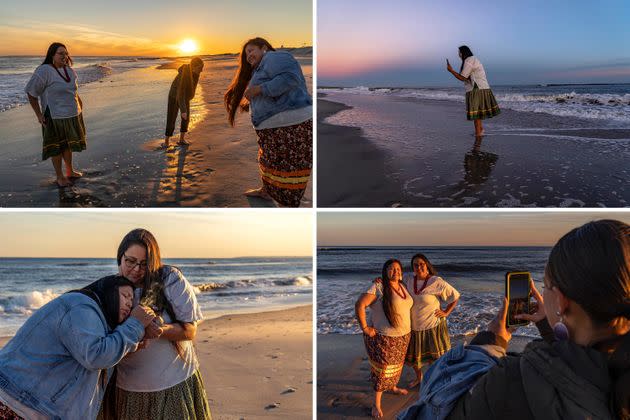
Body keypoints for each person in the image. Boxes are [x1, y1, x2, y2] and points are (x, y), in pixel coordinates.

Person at [403, 219, 630, 420]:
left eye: (546, 287)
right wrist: (546, 326)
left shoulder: (510, 383)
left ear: (560, 301)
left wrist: (491, 341)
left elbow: (437, 400)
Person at [0, 276, 156, 419]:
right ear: (108, 292)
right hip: (14, 401)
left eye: (132, 299)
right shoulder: (81, 306)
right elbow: (96, 356)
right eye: (125, 296)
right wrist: (134, 324)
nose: (130, 303)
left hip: (30, 405)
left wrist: (139, 333)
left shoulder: (98, 325)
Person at [103, 228, 212, 420]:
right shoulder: (109, 290)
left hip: (174, 384)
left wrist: (159, 330)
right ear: (120, 258)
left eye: (144, 264)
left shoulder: (169, 279)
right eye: (130, 261)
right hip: (128, 390)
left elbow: (190, 330)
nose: (136, 269)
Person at [224, 37, 312, 207]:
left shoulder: (274, 57)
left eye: (251, 50)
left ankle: (287, 205)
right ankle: (267, 191)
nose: (248, 56)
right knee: (269, 162)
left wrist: (259, 89)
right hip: (273, 126)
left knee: (288, 168)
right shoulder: (260, 69)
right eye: (246, 54)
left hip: (289, 124)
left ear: (264, 47)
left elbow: (290, 78)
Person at [355, 259, 414, 419]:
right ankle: (377, 404)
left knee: (397, 366)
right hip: (385, 338)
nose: (395, 271)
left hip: (403, 337)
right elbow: (360, 304)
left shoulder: (403, 286)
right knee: (382, 371)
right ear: (385, 271)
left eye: (397, 268)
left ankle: (393, 386)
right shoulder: (378, 287)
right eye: (391, 268)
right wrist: (366, 328)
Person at [25, 42, 87, 187]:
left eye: (66, 53)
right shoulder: (44, 70)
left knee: (67, 145)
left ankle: (70, 171)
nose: (64, 56)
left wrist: (80, 106)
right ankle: (60, 177)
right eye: (60, 53)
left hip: (72, 114)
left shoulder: (70, 71)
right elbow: (31, 92)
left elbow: (74, 91)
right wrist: (39, 115)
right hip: (54, 116)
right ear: (52, 55)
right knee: (56, 147)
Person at [404, 254, 459, 388]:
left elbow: (455, 296)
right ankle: (420, 378)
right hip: (414, 326)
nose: (418, 267)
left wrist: (446, 312)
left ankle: (435, 380)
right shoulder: (408, 279)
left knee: (435, 359)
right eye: (415, 265)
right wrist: (379, 280)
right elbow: (392, 279)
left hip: (432, 325)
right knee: (415, 358)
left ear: (427, 265)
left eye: (421, 264)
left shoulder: (436, 281)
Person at [446, 46, 500, 137]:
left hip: (477, 89)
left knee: (476, 114)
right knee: (477, 113)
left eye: (459, 53)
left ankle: (478, 134)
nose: (458, 55)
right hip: (480, 88)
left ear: (463, 53)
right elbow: (466, 77)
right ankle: (480, 130)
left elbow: (462, 77)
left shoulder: (469, 60)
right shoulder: (472, 59)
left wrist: (451, 71)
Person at [162, 57, 205, 149]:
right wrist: (183, 110)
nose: (202, 70)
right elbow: (180, 92)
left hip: (184, 97)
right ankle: (166, 142)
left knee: (186, 118)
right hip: (174, 96)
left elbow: (190, 89)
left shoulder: (195, 73)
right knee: (171, 118)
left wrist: (189, 99)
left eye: (202, 67)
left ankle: (181, 140)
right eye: (200, 67)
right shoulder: (184, 74)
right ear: (194, 67)